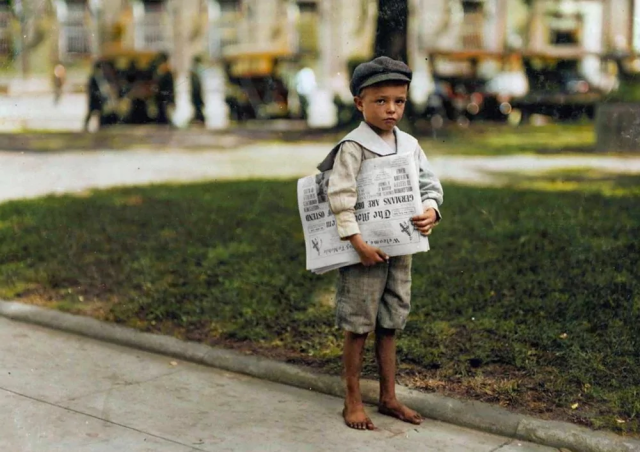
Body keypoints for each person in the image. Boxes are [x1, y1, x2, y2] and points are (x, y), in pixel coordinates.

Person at [316, 56, 444, 431]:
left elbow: (428, 186)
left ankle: (388, 396)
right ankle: (352, 399)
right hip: (363, 254)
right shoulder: (353, 146)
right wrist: (356, 242)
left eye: (399, 101)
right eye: (380, 101)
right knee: (358, 324)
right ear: (359, 103)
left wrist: (431, 210)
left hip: (400, 250)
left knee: (391, 321)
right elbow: (339, 196)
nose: (391, 109)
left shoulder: (409, 144)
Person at [190, 56, 206, 124]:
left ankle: (200, 118)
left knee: (197, 105)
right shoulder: (199, 69)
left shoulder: (196, 69)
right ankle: (199, 118)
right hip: (198, 90)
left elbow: (196, 82)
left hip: (196, 91)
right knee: (198, 105)